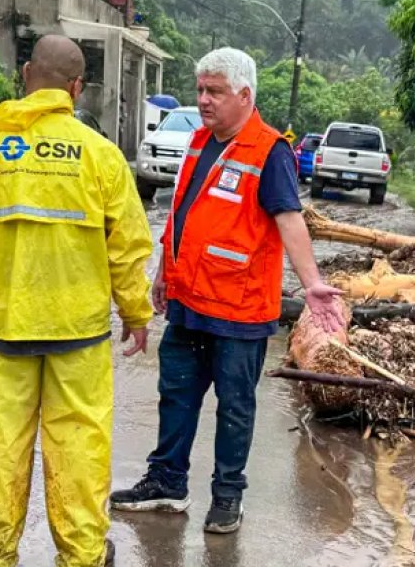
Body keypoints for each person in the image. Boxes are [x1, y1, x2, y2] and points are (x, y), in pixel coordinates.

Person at [0, 35, 152, 567]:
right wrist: (136, 311)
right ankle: (81, 556)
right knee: (79, 444)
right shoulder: (99, 155)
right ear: (77, 88)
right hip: (78, 332)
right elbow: (127, 243)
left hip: (9, 327)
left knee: (4, 443)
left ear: (26, 73)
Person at [111, 47, 344, 535]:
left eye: (214, 92)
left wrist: (312, 283)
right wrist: (162, 274)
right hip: (190, 304)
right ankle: (167, 483)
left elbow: (289, 219)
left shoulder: (270, 150)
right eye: (200, 90)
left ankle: (227, 497)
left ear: (244, 94)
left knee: (235, 408)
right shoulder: (198, 142)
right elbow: (183, 214)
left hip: (239, 313)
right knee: (175, 396)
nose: (203, 100)